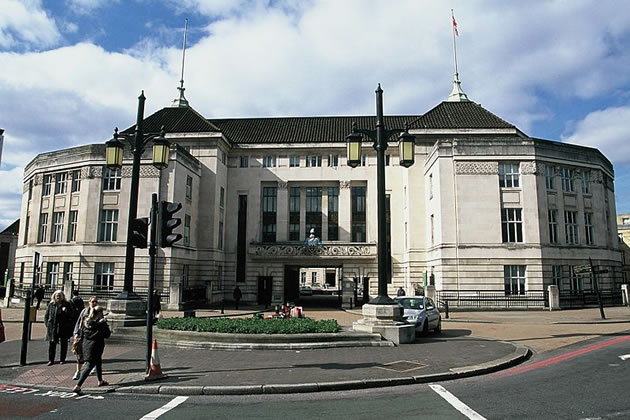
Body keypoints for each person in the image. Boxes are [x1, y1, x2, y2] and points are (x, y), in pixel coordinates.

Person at [73, 306, 110, 394]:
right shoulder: (101, 324)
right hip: (96, 346)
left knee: (98, 362)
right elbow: (107, 334)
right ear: (100, 313)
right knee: (89, 365)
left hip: (86, 345)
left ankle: (100, 381)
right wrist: (105, 324)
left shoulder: (86, 321)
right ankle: (78, 386)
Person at [44, 290, 75, 365]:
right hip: (53, 327)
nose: (58, 297)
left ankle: (62, 359)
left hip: (63, 327)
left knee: (64, 344)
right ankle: (51, 360)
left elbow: (72, 315)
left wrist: (66, 311)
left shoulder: (67, 304)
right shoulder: (51, 305)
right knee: (52, 344)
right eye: (56, 295)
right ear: (54, 296)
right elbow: (46, 316)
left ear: (62, 297)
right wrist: (48, 324)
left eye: (59, 295)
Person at [72, 296, 98, 380]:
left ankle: (92, 367)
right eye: (93, 301)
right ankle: (78, 372)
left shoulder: (98, 312)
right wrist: (76, 333)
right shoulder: (84, 311)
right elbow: (79, 322)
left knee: (92, 354)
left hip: (92, 337)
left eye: (95, 302)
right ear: (89, 303)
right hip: (82, 335)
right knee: (79, 354)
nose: (94, 303)